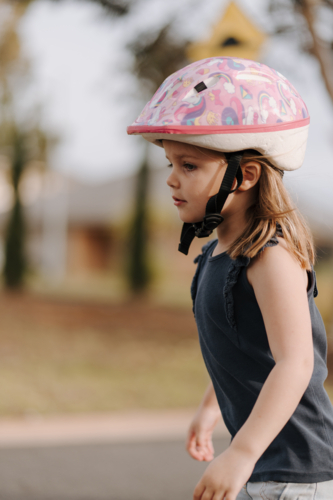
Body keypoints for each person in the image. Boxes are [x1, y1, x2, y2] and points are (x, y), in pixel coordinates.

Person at [127, 57, 333, 499]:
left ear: (246, 175)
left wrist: (241, 452)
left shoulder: (269, 256)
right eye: (170, 163)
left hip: (297, 472)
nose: (171, 179)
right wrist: (211, 409)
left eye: (189, 166)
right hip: (265, 464)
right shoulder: (217, 253)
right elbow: (240, 351)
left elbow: (295, 363)